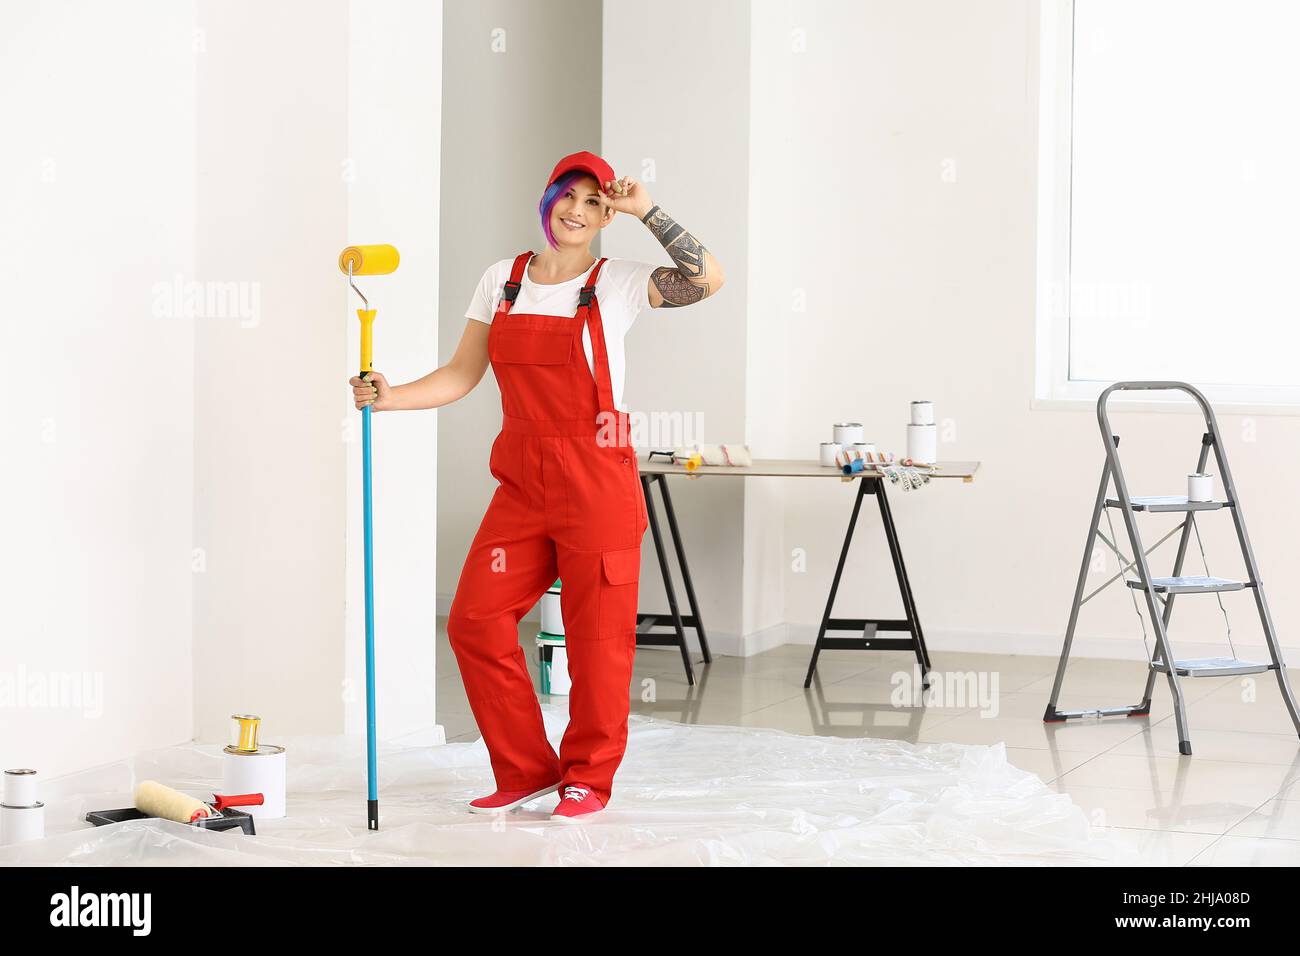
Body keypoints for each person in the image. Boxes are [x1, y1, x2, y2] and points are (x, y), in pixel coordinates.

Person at [350, 150, 724, 822]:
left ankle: (587, 779)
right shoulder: (505, 279)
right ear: (547, 198)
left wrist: (647, 210)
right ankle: (524, 769)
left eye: (594, 203)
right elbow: (464, 373)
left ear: (608, 214)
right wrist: (389, 397)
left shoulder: (619, 282)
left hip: (597, 481)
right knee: (474, 621)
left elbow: (708, 279)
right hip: (522, 481)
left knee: (597, 645)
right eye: (568, 196)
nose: (577, 212)